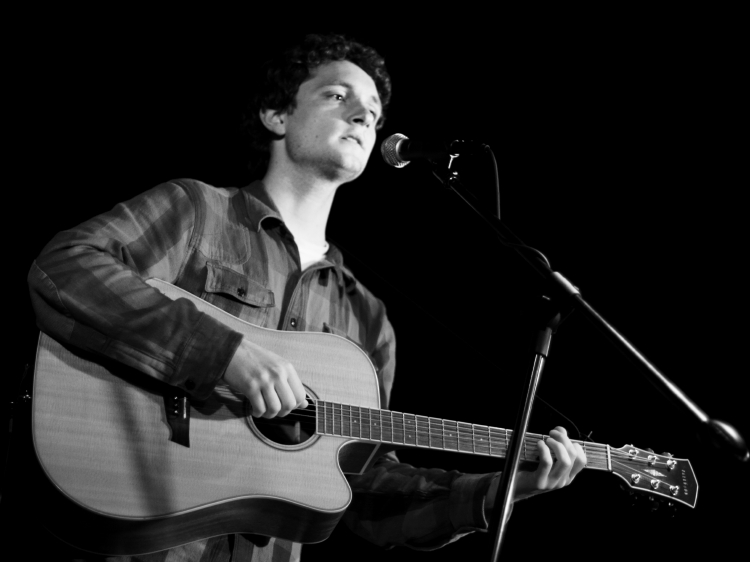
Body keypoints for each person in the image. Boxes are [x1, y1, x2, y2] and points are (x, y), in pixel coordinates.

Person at [27, 33, 586, 562]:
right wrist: (223, 353)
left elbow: (367, 486)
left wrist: (499, 490)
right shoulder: (198, 211)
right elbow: (65, 270)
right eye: (338, 96)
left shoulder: (367, 319)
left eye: (374, 112)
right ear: (277, 115)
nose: (364, 116)